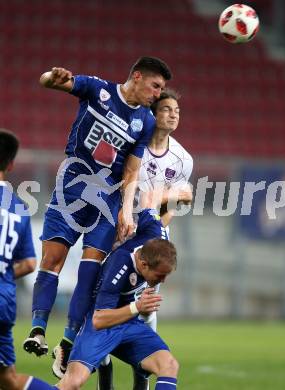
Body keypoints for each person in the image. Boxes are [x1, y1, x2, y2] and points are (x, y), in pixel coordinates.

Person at [23, 57, 172, 370]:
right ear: (137, 76)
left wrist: (127, 213)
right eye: (155, 86)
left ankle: (66, 344)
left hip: (107, 200)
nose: (157, 94)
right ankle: (38, 330)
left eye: (161, 89)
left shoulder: (144, 121)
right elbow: (48, 80)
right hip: (72, 187)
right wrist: (53, 75)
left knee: (88, 273)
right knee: (52, 259)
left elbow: (131, 171)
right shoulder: (98, 89)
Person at [98, 89, 193, 390]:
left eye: (176, 109)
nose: (173, 114)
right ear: (153, 113)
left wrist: (156, 229)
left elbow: (177, 202)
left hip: (152, 240)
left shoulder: (182, 158)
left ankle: (142, 380)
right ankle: (105, 379)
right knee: (102, 305)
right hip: (117, 234)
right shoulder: (131, 146)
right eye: (166, 109)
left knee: (147, 308)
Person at [57, 209, 179, 390]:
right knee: (73, 383)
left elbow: (152, 210)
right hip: (100, 326)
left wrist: (175, 198)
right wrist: (137, 307)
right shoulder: (119, 267)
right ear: (143, 264)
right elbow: (99, 320)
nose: (163, 281)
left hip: (129, 324)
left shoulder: (155, 233)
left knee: (169, 365)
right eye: (160, 275)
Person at [0, 129, 56, 390]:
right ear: (10, 164)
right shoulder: (18, 206)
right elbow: (29, 263)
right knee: (8, 380)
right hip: (4, 300)